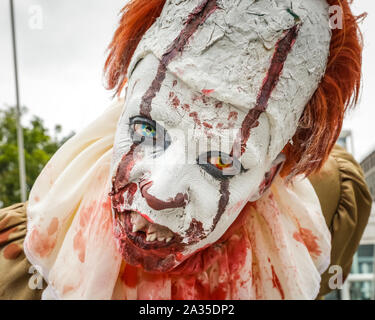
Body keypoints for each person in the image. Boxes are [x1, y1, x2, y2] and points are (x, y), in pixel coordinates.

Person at [0, 0, 372, 300]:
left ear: (268, 178)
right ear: (126, 100)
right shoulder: (19, 269)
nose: (160, 192)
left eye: (221, 161)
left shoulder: (321, 216)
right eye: (147, 128)